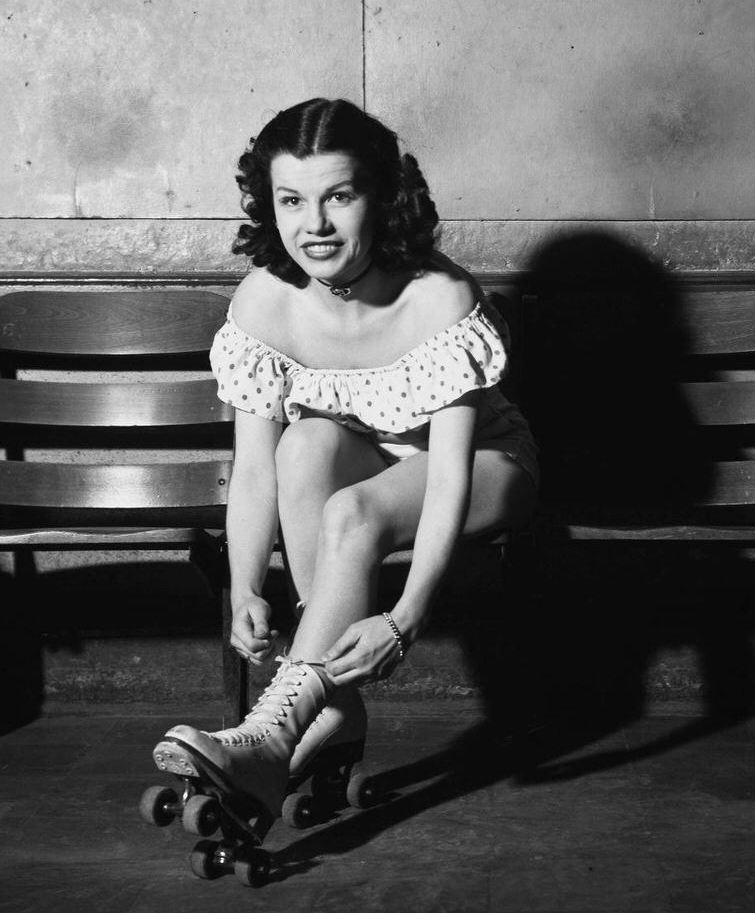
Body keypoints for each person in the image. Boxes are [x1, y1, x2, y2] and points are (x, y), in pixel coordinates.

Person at [154, 98, 538, 817]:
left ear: (382, 197)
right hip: (366, 466)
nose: (315, 225)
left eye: (339, 196)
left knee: (354, 511)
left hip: (486, 464)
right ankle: (333, 710)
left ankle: (273, 731)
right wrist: (242, 587)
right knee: (302, 443)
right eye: (292, 200)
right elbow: (257, 469)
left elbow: (448, 473)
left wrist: (405, 616)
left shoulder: (439, 298)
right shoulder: (264, 305)